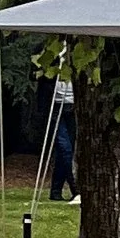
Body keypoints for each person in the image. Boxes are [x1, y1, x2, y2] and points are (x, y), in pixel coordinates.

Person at [48, 75, 77, 203]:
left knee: (65, 150)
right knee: (65, 148)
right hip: (55, 106)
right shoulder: (54, 59)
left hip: (74, 107)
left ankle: (56, 191)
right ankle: (76, 189)